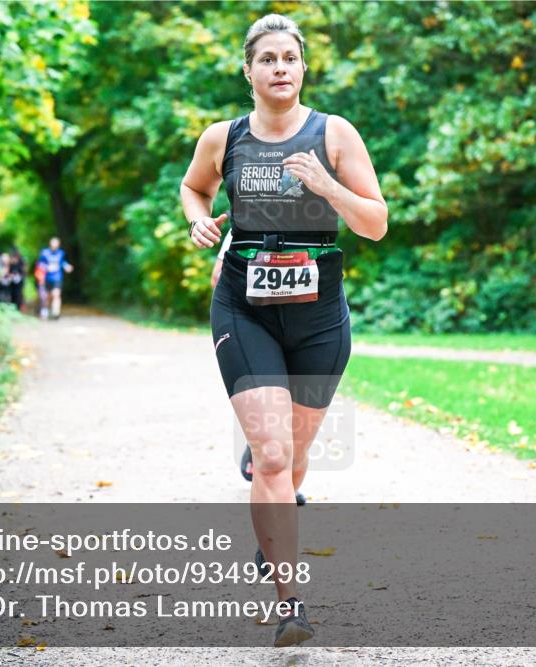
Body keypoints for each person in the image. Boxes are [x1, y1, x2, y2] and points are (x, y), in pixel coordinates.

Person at [180, 13, 387, 647]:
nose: (279, 68)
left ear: (302, 68)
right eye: (267, 59)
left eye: (289, 58)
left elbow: (376, 223)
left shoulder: (335, 133)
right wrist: (198, 219)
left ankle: (271, 525)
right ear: (248, 71)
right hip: (243, 308)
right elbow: (193, 188)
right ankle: (290, 605)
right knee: (272, 455)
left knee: (293, 458)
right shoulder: (224, 137)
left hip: (320, 316)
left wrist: (328, 186)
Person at [212, 227, 308, 508]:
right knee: (272, 414)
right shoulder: (245, 225)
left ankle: (280, 477)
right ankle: (270, 464)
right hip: (255, 322)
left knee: (294, 418)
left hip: (306, 322)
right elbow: (218, 276)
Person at [37, 236, 73, 320]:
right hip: (46, 278)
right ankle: (45, 311)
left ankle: (56, 313)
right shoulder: (45, 252)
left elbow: (62, 262)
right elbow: (40, 264)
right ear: (50, 244)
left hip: (57, 277)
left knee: (56, 294)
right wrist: (46, 268)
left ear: (58, 244)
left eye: (56, 243)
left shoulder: (61, 253)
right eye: (53, 243)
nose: (55, 245)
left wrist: (67, 266)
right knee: (47, 296)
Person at [7, 247, 26, 312]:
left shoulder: (21, 263)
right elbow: (9, 272)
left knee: (19, 295)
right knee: (12, 294)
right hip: (12, 283)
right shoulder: (11, 264)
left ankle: (18, 308)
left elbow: (23, 273)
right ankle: (12, 308)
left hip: (19, 283)